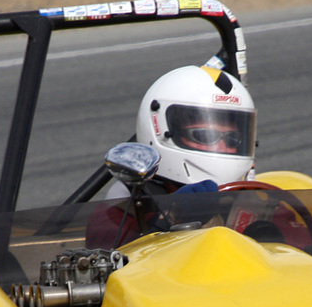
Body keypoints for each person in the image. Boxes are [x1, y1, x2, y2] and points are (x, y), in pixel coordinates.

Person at [88, 64, 258, 245]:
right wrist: (171, 221)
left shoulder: (256, 200)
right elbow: (116, 259)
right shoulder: (120, 211)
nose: (222, 147)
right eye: (202, 135)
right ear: (162, 131)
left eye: (232, 139)